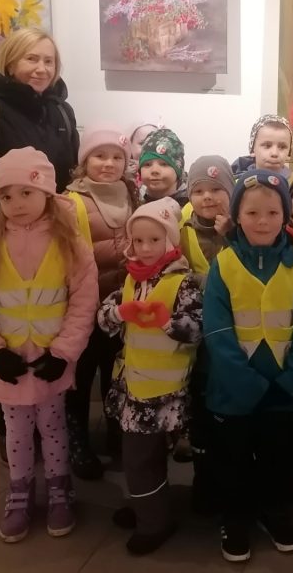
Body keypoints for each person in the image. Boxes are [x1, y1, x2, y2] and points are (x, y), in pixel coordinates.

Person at [0, 28, 79, 457]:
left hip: (52, 247)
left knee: (50, 328)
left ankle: (53, 428)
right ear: (9, 62)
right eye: (31, 59)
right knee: (2, 333)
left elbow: (66, 186)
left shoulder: (62, 114)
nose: (41, 69)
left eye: (49, 61)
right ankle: (9, 431)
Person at [0, 148, 97, 543]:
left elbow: (83, 302)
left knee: (54, 427)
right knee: (16, 431)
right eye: (6, 196)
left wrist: (64, 353)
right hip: (8, 364)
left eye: (25, 192)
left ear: (46, 192)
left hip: (50, 361)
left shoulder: (69, 241)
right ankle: (19, 492)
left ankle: (59, 488)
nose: (15, 203)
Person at [203, 169, 293, 563]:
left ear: (285, 216)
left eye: (273, 213)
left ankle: (274, 511)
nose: (262, 221)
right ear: (237, 216)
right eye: (252, 212)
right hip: (233, 391)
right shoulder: (223, 265)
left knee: (279, 457)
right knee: (233, 458)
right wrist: (245, 384)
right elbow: (217, 331)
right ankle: (235, 516)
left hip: (286, 389)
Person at [97, 198, 203, 555]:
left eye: (154, 240)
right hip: (133, 385)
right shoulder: (131, 278)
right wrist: (119, 313)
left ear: (170, 241)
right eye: (138, 240)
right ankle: (149, 506)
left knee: (140, 458)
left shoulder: (184, 283)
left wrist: (167, 322)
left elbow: (197, 328)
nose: (144, 248)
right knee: (144, 457)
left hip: (165, 392)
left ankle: (154, 523)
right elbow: (104, 319)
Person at [64, 123, 139, 479]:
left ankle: (116, 433)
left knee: (116, 374)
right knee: (80, 376)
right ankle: (76, 439)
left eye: (116, 157)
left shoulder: (131, 195)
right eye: (99, 156)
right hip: (84, 307)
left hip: (121, 307)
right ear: (84, 161)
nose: (108, 163)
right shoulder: (70, 201)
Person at [180, 155, 236, 514]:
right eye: (199, 190)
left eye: (217, 189)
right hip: (195, 343)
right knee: (200, 410)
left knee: (227, 413)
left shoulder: (241, 229)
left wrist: (230, 235)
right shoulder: (178, 229)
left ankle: (229, 479)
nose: (208, 197)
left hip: (232, 338)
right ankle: (203, 480)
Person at [138, 128, 188, 206]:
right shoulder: (134, 202)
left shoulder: (193, 207)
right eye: (147, 164)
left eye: (164, 164)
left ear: (178, 169)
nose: (154, 170)